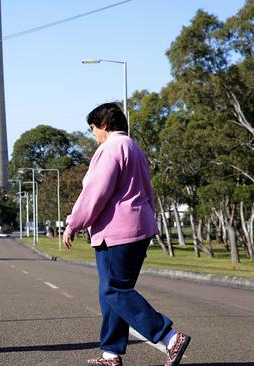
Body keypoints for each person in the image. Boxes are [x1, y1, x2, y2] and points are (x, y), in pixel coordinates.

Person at [62, 103, 191, 366]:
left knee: (114, 290)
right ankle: (111, 354)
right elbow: (147, 190)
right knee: (112, 292)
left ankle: (168, 337)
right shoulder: (134, 148)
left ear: (105, 125)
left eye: (93, 129)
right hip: (139, 227)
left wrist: (73, 223)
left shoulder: (109, 148)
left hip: (117, 233)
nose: (94, 135)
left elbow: (95, 193)